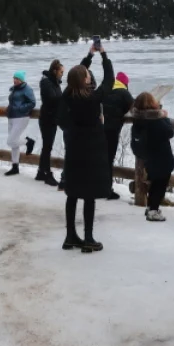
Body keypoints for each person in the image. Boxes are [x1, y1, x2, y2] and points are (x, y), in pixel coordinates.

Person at [57, 47, 114, 252]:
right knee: (88, 194)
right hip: (92, 150)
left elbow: (76, 75)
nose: (90, 76)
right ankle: (88, 237)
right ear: (85, 80)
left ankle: (70, 235)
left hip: (74, 148)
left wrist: (88, 57)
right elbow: (109, 80)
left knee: (72, 192)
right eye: (88, 75)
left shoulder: (68, 95)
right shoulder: (93, 98)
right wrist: (103, 56)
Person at [131, 92, 174, 221]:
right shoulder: (155, 120)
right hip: (161, 157)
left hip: (148, 157)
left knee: (155, 182)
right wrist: (164, 117)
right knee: (160, 185)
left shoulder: (138, 118)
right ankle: (153, 210)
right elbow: (170, 132)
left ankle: (151, 207)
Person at [101, 70, 134, 200]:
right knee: (109, 159)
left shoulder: (107, 88)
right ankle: (106, 190)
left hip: (99, 128)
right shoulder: (124, 93)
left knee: (100, 158)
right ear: (125, 84)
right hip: (112, 130)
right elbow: (133, 107)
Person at [36, 60, 63, 186]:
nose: (62, 74)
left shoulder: (55, 82)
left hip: (52, 118)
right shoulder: (46, 82)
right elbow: (52, 99)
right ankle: (47, 173)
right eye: (61, 72)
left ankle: (41, 172)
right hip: (47, 119)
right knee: (47, 147)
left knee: (47, 146)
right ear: (55, 71)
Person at [5, 71, 36, 176]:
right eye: (14, 78)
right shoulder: (14, 88)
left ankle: (28, 142)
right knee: (14, 144)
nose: (15, 80)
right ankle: (15, 167)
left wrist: (20, 109)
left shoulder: (27, 89)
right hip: (11, 117)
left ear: (22, 80)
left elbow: (32, 102)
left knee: (11, 141)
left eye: (17, 78)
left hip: (21, 117)